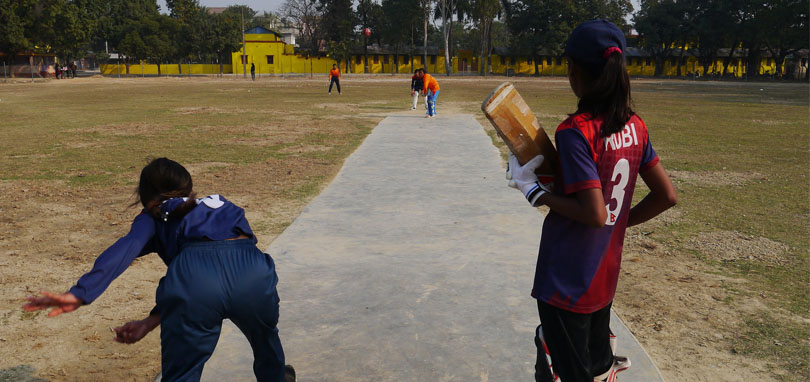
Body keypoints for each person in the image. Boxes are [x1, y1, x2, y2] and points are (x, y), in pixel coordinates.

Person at [506, 19, 677, 382]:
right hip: (604, 273)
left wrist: (535, 192)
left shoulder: (575, 131)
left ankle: (549, 346)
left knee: (573, 373)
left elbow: (595, 214)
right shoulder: (635, 125)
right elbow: (666, 196)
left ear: (577, 72)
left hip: (566, 280)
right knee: (598, 367)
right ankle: (556, 346)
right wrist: (620, 221)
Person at [23, 158, 295, 382]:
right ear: (188, 186)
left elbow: (129, 251)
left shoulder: (154, 215)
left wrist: (81, 293)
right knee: (266, 342)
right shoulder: (217, 204)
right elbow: (224, 268)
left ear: (145, 197)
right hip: (252, 272)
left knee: (183, 373)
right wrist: (149, 322)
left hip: (195, 283)